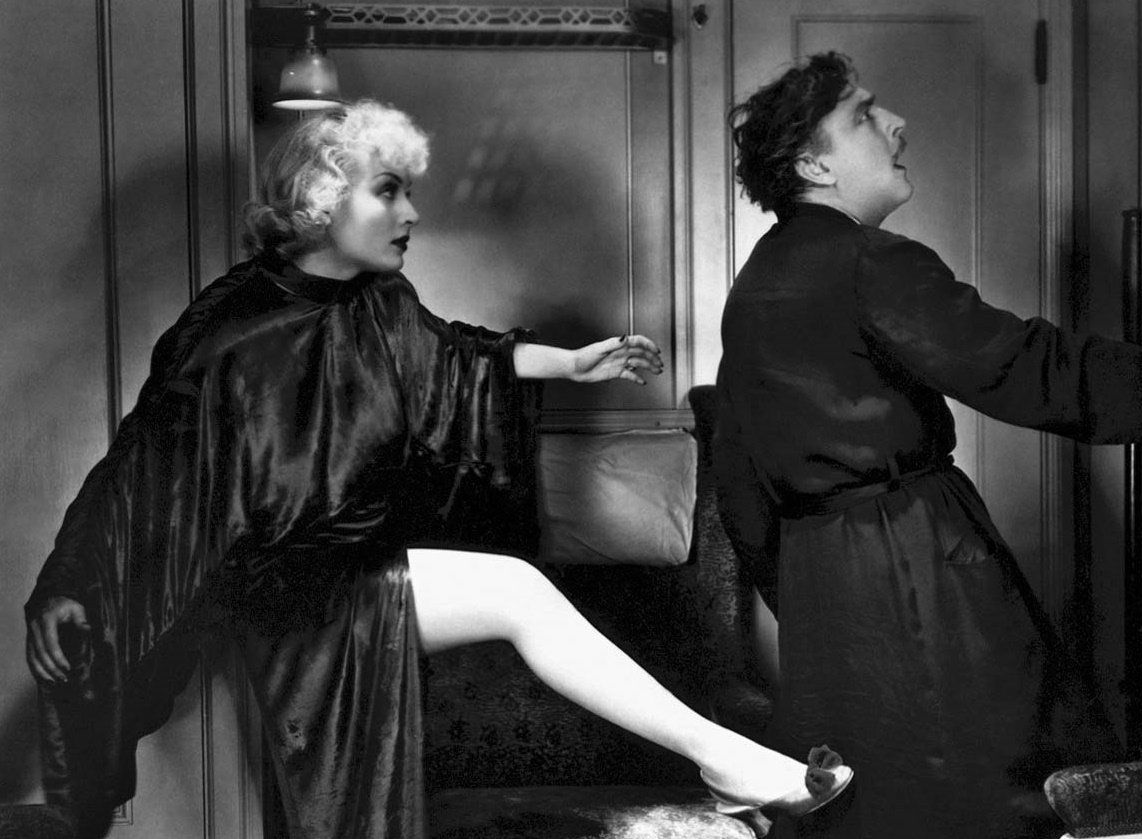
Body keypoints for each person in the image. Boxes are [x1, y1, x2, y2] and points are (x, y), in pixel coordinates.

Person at [23, 99, 851, 839]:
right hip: (286, 590)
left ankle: (724, 759)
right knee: (517, 595)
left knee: (515, 599)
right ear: (320, 199)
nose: (411, 212)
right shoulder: (228, 324)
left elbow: (457, 360)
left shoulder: (382, 302)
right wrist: (69, 581)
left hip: (352, 568)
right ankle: (725, 760)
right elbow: (139, 464)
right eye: (388, 191)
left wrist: (574, 365)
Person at [714, 52, 1142, 838]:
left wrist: (815, 600)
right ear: (814, 164)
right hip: (916, 572)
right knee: (995, 797)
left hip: (822, 600)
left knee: (864, 810)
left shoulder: (752, 288)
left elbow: (739, 488)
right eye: (862, 114)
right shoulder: (865, 261)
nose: (895, 124)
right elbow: (1035, 371)